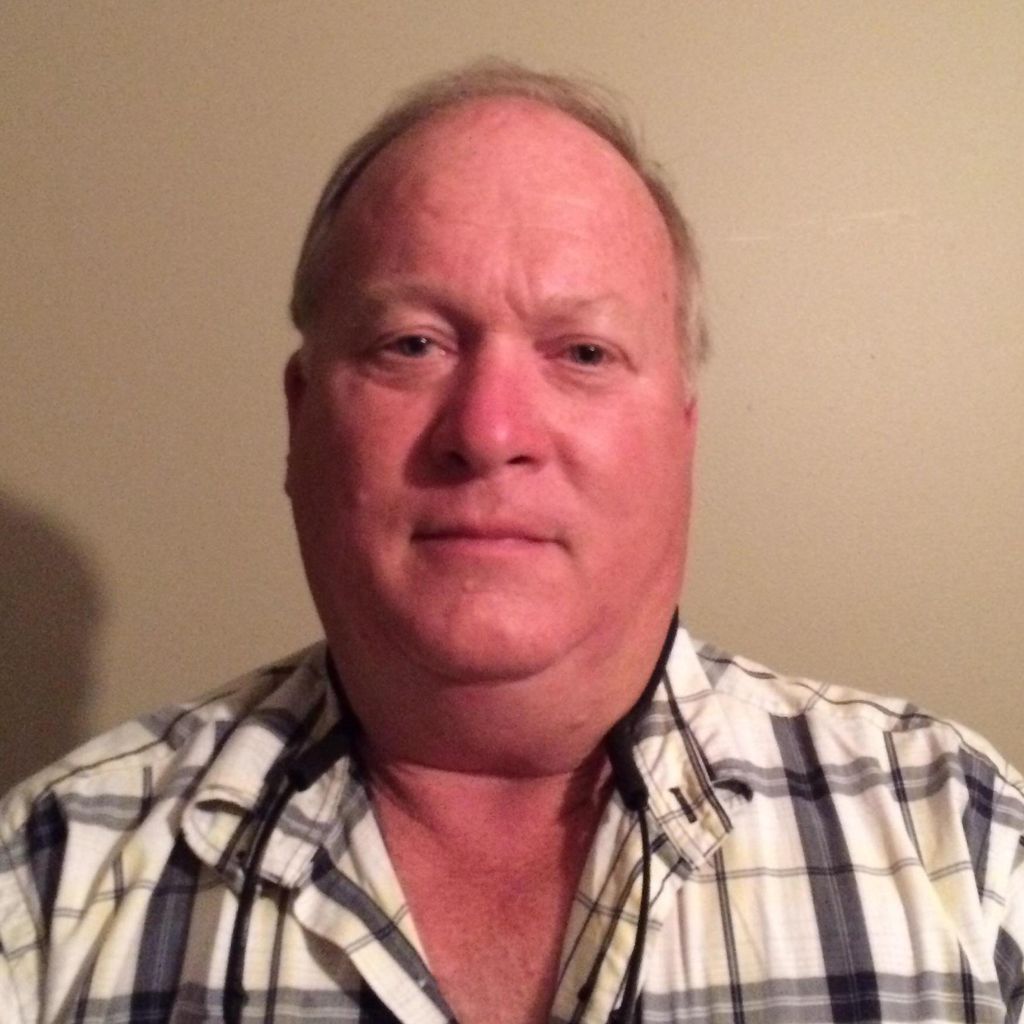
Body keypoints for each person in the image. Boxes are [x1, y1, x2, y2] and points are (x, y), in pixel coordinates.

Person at [1, 61, 1021, 1024]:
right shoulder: (46, 887)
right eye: (411, 344)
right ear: (300, 416)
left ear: (682, 433)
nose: (489, 432)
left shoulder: (965, 845)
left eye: (583, 352)